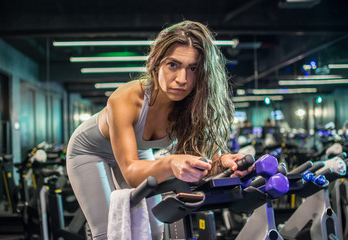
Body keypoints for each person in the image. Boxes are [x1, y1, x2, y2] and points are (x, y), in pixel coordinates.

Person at [66, 20, 253, 240]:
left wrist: (223, 163)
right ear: (155, 63)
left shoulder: (194, 107)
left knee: (155, 230)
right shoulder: (125, 99)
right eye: (173, 65)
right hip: (90, 151)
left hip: (136, 151)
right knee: (109, 231)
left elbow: (206, 165)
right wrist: (171, 163)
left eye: (192, 68)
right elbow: (131, 173)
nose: (182, 79)